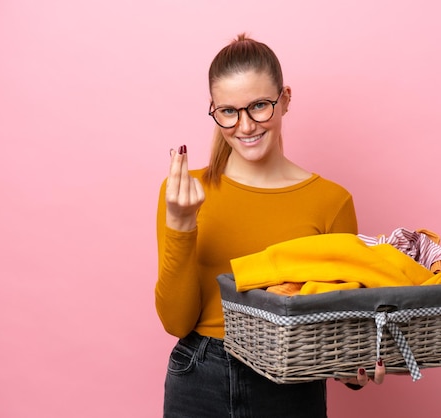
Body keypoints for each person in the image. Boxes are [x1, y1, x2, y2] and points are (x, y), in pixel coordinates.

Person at [155, 34, 383, 418]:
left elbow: (339, 323)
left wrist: (354, 369)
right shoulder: (185, 192)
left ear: (285, 99)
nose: (245, 126)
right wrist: (181, 224)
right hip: (200, 375)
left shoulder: (331, 201)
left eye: (259, 105)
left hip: (291, 383)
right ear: (214, 110)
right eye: (228, 111)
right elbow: (176, 322)